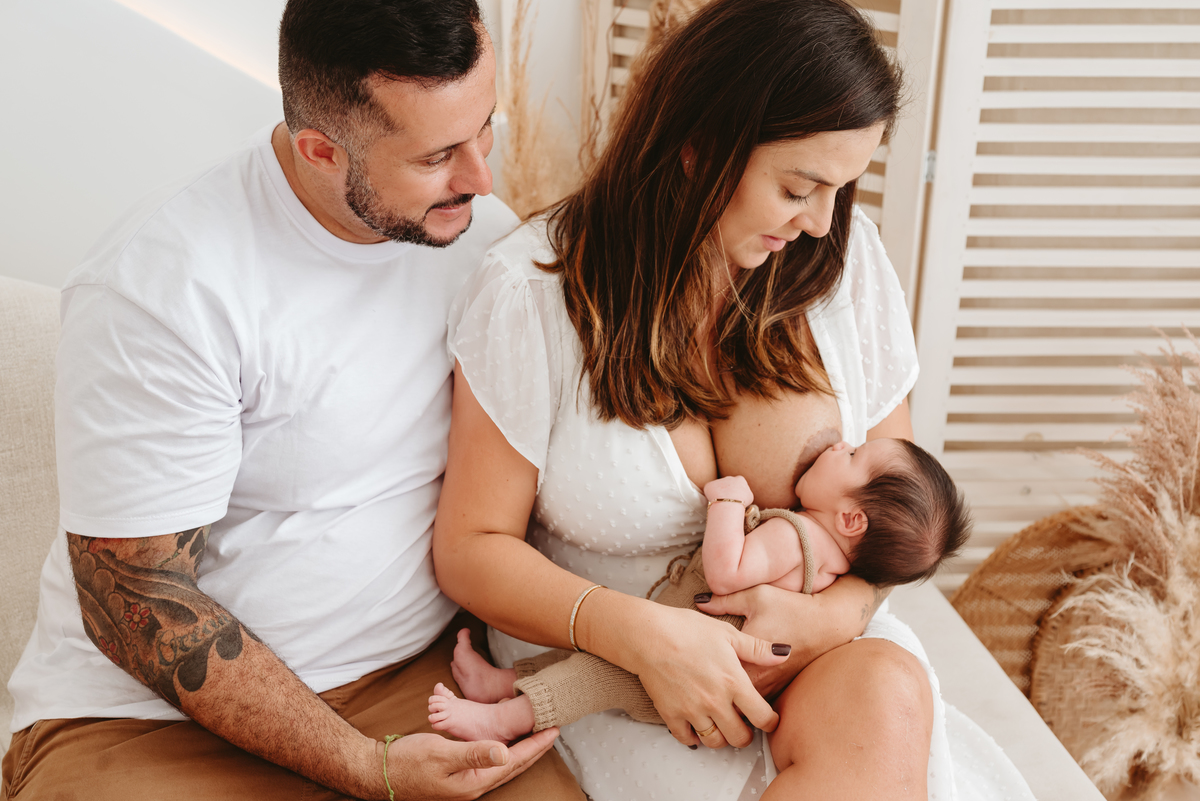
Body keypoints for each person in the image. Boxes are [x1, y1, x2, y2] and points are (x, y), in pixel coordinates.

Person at [433, 0, 1035, 799]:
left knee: (884, 702)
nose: (823, 224)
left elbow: (897, 510)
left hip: (815, 654)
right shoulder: (531, 296)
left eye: (841, 190)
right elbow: (470, 546)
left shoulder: (844, 269)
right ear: (700, 145)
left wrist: (838, 614)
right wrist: (647, 638)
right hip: (616, 676)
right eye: (799, 186)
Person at [1, 2, 586, 800]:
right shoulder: (165, 287)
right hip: (146, 720)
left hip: (413, 681)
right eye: (437, 154)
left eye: (486, 128)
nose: (481, 178)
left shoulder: (480, 242)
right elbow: (137, 608)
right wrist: (365, 768)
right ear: (319, 150)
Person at [427, 437, 971, 744]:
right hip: (702, 663)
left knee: (587, 679)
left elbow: (727, 574)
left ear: (851, 519)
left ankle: (500, 721)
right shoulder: (829, 571)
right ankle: (500, 681)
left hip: (685, 663)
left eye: (853, 457)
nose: (840, 446)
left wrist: (728, 504)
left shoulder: (795, 534)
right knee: (585, 660)